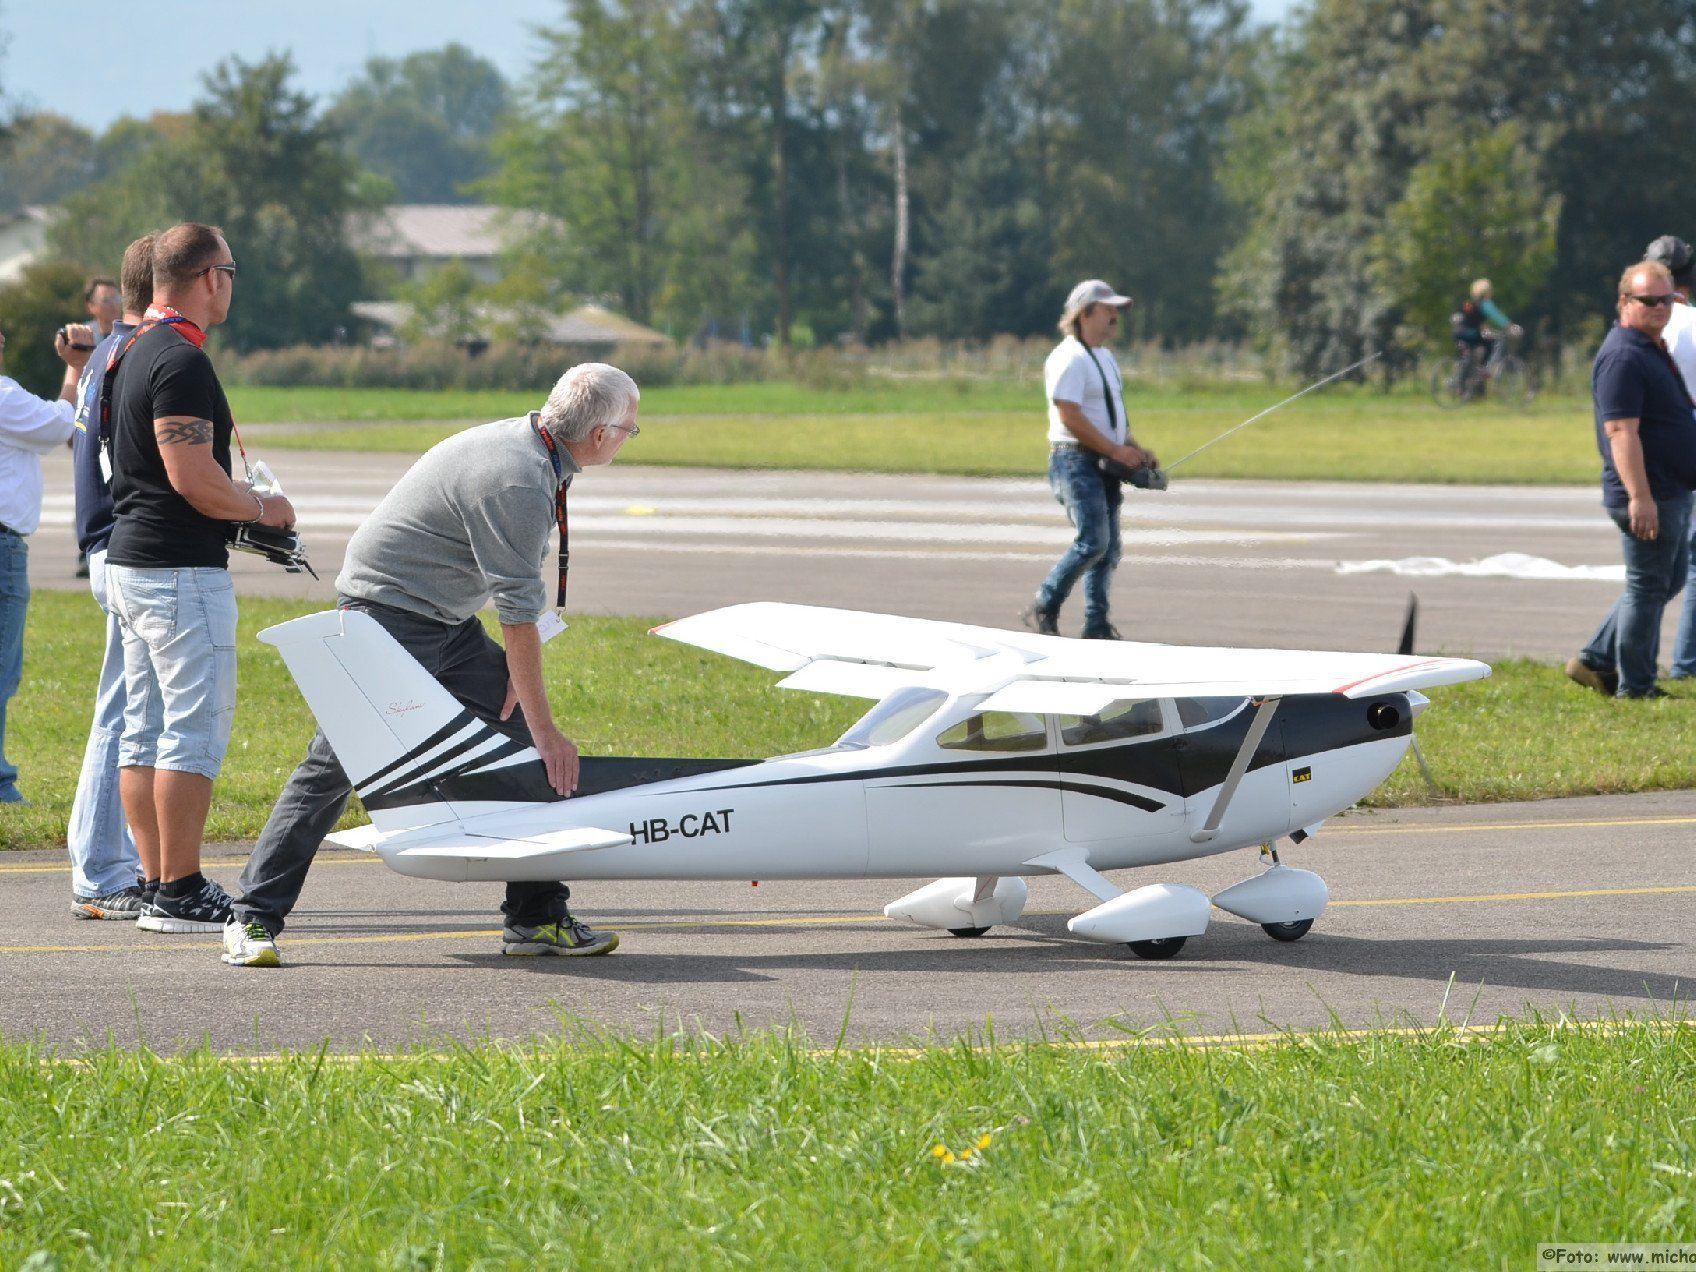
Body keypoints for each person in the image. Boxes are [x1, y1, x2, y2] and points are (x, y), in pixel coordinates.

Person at [221, 362, 638, 969]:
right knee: (336, 764)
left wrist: (532, 722)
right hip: (385, 617)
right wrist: (548, 730)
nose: (629, 438)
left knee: (520, 753)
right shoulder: (518, 481)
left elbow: (515, 605)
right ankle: (252, 918)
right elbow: (518, 617)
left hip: (444, 621)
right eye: (630, 428)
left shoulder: (533, 449)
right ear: (599, 434)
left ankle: (536, 917)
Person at [104, 223, 296, 933]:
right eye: (232, 270)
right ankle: (181, 889)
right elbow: (191, 476)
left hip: (133, 562)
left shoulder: (130, 348)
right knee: (189, 732)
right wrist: (264, 510)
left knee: (142, 731)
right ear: (212, 276)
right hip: (177, 570)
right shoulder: (180, 360)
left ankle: (159, 882)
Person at [65, 237, 153, 919]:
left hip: (102, 545)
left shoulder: (105, 352)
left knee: (124, 713)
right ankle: (102, 870)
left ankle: (118, 860)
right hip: (122, 550)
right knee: (123, 716)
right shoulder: (132, 356)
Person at [1566, 260, 1696, 699]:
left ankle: (1596, 659)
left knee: (1665, 581)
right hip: (1648, 493)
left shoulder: (1649, 346)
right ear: (1625, 302)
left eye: (1668, 299)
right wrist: (1640, 497)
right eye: (1649, 300)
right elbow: (1621, 431)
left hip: (1669, 489)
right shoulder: (1624, 355)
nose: (1660, 308)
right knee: (1647, 587)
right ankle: (1636, 686)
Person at [1019, 279, 1156, 641]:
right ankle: (1044, 603)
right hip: (1074, 460)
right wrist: (1115, 451)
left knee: (1108, 548)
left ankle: (1096, 624)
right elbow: (1070, 415)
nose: (1115, 316)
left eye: (1116, 310)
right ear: (1084, 314)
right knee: (1094, 541)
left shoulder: (1105, 358)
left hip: (1101, 461)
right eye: (1108, 309)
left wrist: (1134, 448)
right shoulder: (1068, 358)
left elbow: (1110, 416)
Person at [0, 322, 94, 804]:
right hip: (2, 546)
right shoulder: (2, 394)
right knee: (1, 668)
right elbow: (61, 425)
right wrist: (75, 368)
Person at [1646, 237, 1696, 680]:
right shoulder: (1693, 324)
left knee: (1654, 572)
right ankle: (1685, 664)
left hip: (1648, 458)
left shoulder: (1639, 326)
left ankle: (1636, 664)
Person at [1450, 278, 1522, 370]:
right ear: (1487, 292)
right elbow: (1497, 317)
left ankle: (1469, 377)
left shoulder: (1468, 303)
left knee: (1470, 355)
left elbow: (1468, 319)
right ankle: (1483, 369)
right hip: (1471, 334)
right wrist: (1510, 327)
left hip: (1458, 333)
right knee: (1494, 343)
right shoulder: (1485, 304)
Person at [84, 277, 121, 341]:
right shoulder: (83, 337)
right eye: (106, 300)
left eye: (116, 298)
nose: (113, 304)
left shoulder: (132, 335)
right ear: (91, 306)